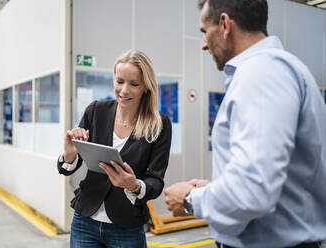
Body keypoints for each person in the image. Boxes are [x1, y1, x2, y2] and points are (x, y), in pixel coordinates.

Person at [164, 0, 326, 247]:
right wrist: (220, 187)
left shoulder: (262, 73)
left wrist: (190, 199)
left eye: (204, 31)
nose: (204, 44)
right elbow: (274, 178)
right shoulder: (275, 70)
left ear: (225, 25)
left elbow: (254, 188)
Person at [57, 50, 172, 248]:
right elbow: (69, 166)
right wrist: (69, 155)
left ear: (146, 87)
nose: (124, 90)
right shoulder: (96, 111)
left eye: (134, 84)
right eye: (120, 82)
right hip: (85, 222)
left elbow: (156, 180)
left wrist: (133, 185)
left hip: (126, 227)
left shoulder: (159, 125)